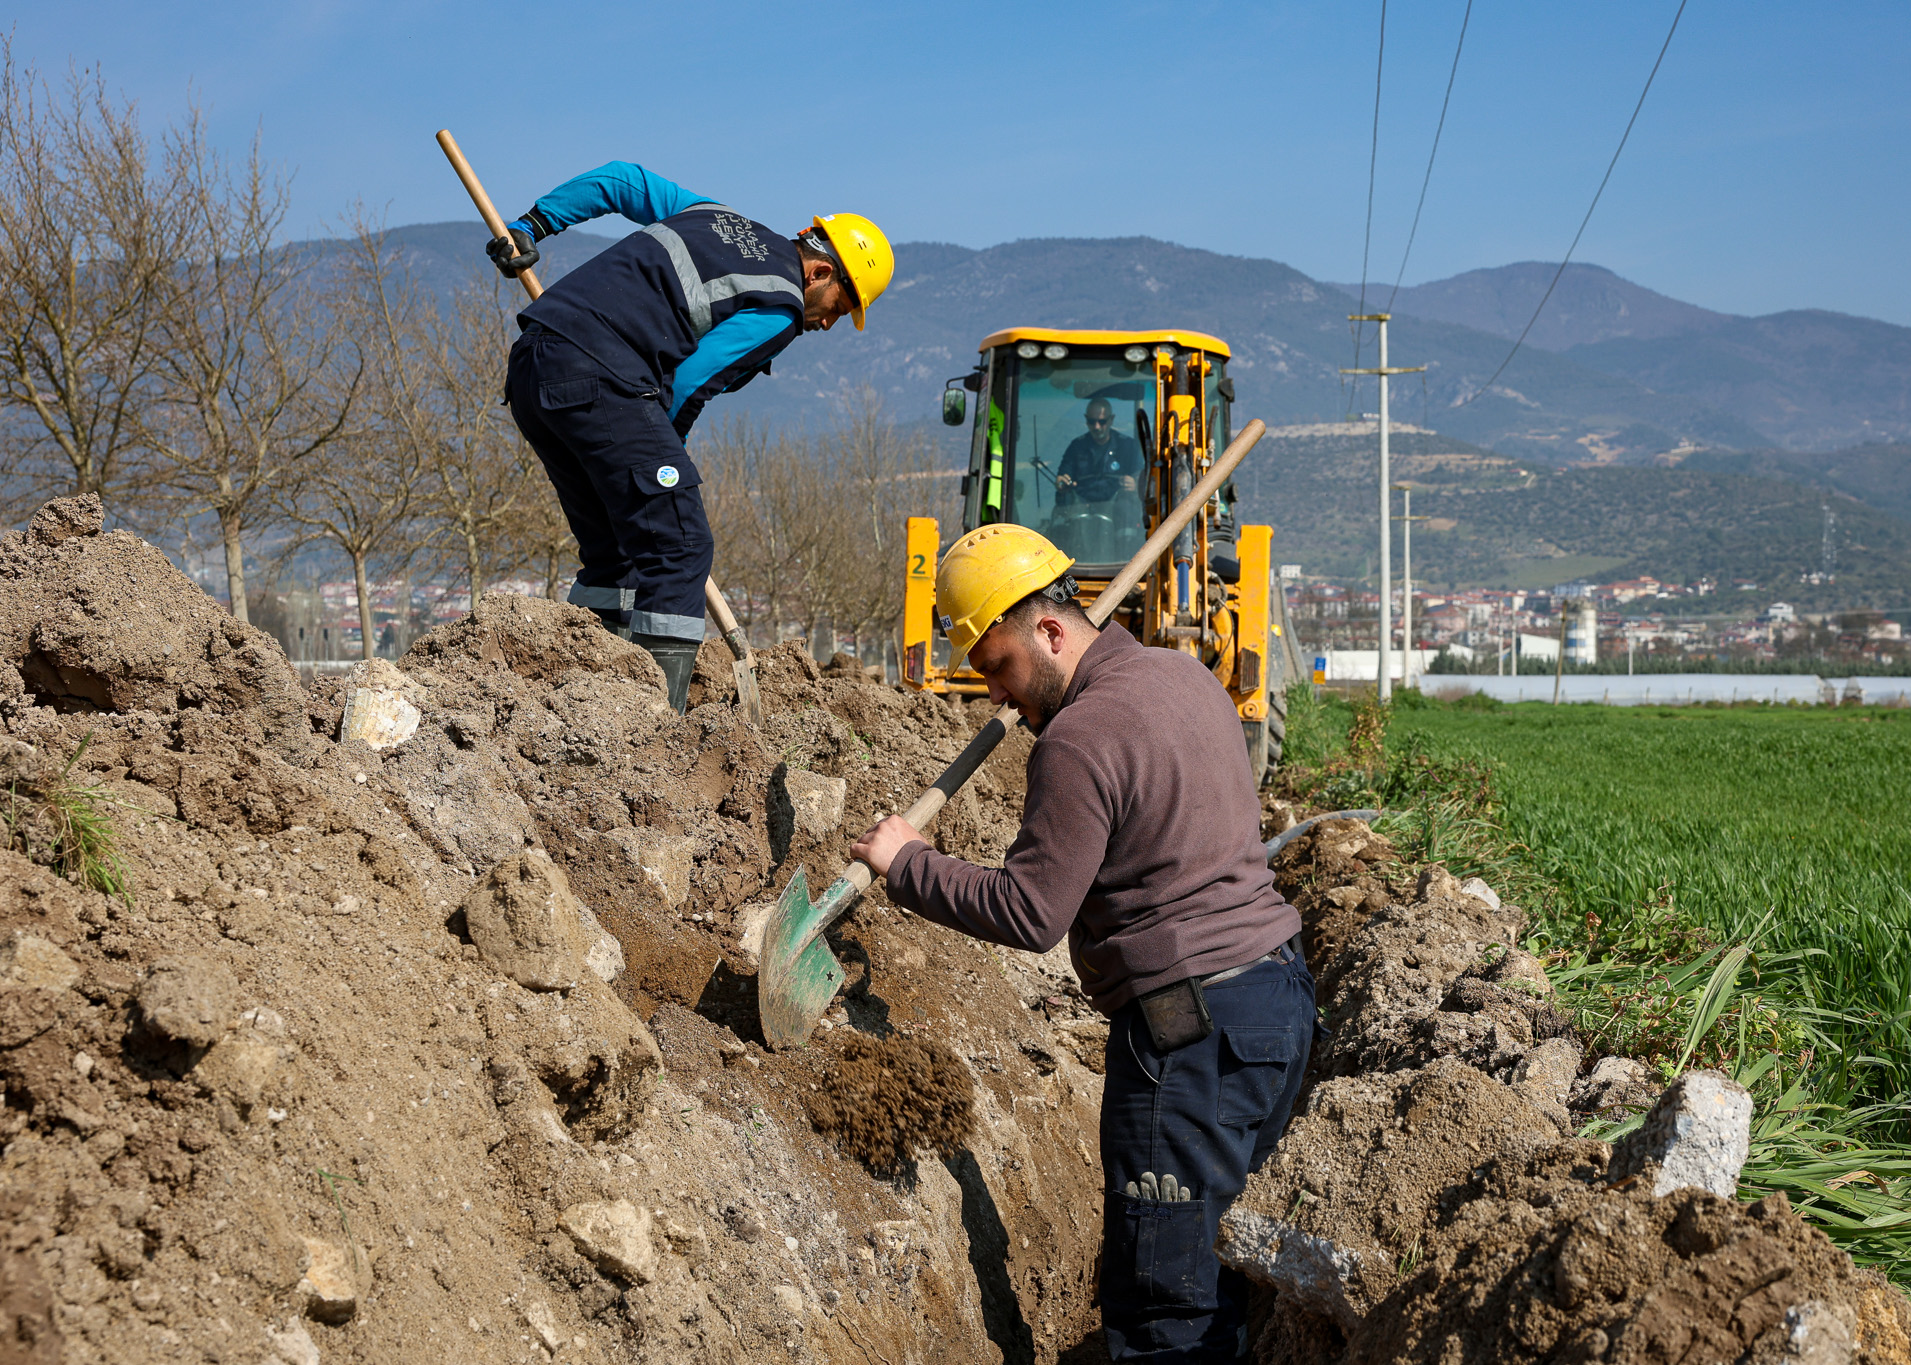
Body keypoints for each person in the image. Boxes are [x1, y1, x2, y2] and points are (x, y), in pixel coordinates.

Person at [849, 524, 1316, 1363]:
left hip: (1190, 1035)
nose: (997, 695)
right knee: (1226, 1275)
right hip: (1276, 1001)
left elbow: (1031, 911)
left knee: (1166, 1304)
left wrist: (907, 863)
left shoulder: (1078, 738)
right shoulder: (1185, 675)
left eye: (1000, 667)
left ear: (1052, 631)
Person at [488, 161, 893, 713]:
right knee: (680, 544)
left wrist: (533, 225)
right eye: (841, 309)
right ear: (821, 273)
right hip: (600, 376)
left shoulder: (714, 216)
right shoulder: (782, 305)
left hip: (536, 367)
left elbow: (621, 180)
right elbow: (686, 385)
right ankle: (651, 735)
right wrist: (663, 458)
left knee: (616, 554)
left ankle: (578, 695)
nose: (827, 325)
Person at [1056, 397, 1143, 505]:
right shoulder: (1076, 447)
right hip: (1082, 513)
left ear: (1111, 419)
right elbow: (1062, 478)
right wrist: (1061, 484)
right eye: (1091, 421)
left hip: (1119, 514)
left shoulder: (1128, 446)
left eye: (1102, 421)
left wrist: (1134, 485)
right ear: (1086, 419)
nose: (1096, 427)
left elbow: (1143, 479)